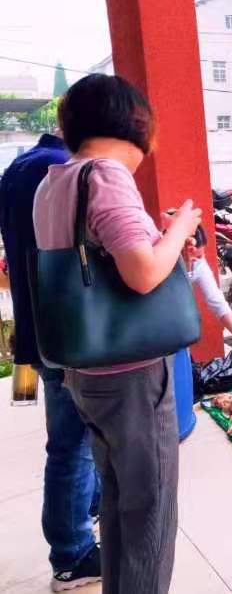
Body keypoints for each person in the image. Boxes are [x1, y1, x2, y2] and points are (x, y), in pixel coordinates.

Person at [32, 74, 202, 594]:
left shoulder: (54, 182)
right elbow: (144, 273)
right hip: (132, 375)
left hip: (87, 368)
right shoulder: (106, 174)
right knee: (150, 509)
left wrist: (163, 241)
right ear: (135, 124)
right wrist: (181, 228)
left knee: (116, 496)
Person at [0, 132, 102, 591]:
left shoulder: (17, 170)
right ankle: (71, 554)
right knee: (70, 443)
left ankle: (88, 511)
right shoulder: (61, 171)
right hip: (63, 335)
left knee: (75, 438)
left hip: (35, 330)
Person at [169, 219, 232, 355]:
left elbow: (216, 300)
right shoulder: (162, 260)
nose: (197, 261)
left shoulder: (198, 262)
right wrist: (185, 268)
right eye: (194, 257)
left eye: (200, 256)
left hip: (180, 337)